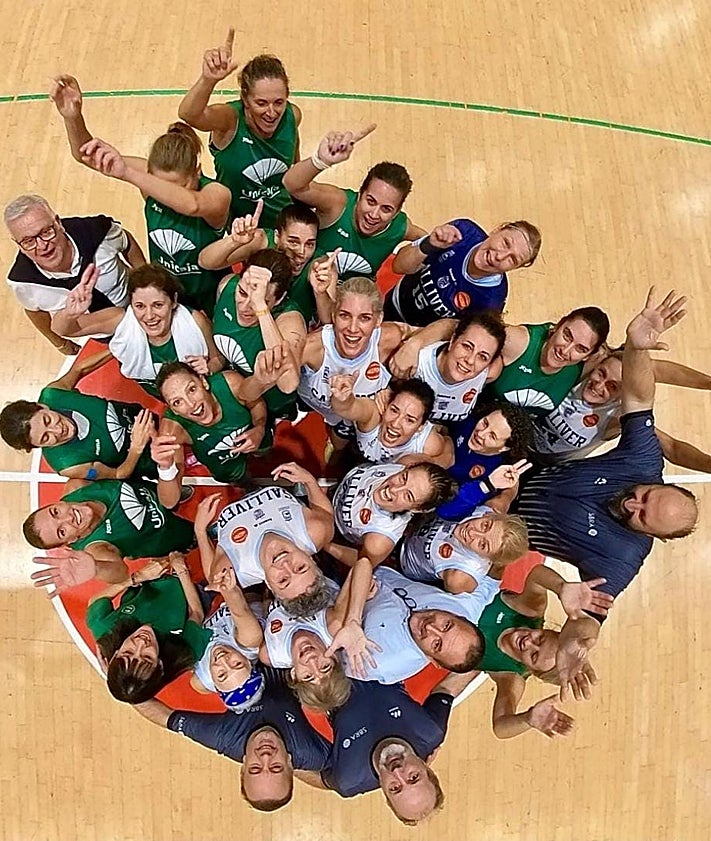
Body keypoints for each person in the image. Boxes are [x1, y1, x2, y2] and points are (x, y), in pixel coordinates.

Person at [512, 289, 698, 672]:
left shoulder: (624, 557)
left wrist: (574, 641)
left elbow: (591, 620)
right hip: (518, 469)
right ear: (657, 481)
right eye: (645, 497)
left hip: (506, 529)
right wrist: (637, 347)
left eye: (642, 517)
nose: (633, 504)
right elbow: (640, 391)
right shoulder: (642, 459)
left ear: (654, 537)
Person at [49, 75, 230, 316]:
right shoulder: (147, 180)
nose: (164, 194)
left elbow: (192, 205)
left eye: (178, 186)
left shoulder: (216, 194)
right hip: (164, 296)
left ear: (197, 171)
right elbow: (88, 155)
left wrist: (129, 174)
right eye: (158, 183)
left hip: (209, 299)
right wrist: (73, 118)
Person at [268, 563, 500, 693]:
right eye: (447, 625)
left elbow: (322, 663)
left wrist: (354, 614)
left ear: (434, 661)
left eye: (436, 644)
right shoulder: (466, 607)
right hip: (379, 563)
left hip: (330, 590)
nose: (432, 629)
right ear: (459, 616)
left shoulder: (378, 660)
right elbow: (492, 578)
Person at [133, 667, 330, 812]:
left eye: (255, 768)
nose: (265, 756)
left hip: (240, 655)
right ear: (290, 763)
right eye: (276, 767)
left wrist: (126, 691)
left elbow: (166, 718)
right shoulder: (311, 752)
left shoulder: (224, 737)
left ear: (243, 765)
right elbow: (336, 781)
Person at [301, 672, 478, 825]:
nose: (398, 772)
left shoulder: (349, 779)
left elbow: (323, 781)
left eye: (395, 788)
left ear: (385, 793)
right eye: (413, 777)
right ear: (427, 768)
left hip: (322, 670)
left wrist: (287, 764)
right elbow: (448, 689)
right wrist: (496, 657)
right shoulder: (430, 731)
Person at [297, 276, 447, 444]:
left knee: (340, 446)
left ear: (379, 320)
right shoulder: (313, 346)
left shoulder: (389, 338)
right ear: (333, 315)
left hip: (352, 414)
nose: (353, 329)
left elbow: (452, 327)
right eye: (345, 316)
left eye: (365, 318)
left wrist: (415, 344)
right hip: (307, 400)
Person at [178, 29, 302, 228]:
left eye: (279, 102)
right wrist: (208, 80)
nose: (271, 112)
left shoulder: (292, 115)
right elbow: (189, 114)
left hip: (283, 224)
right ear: (245, 99)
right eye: (261, 103)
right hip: (238, 228)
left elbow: (295, 164)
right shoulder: (229, 120)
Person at [474, 563, 612, 739]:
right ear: (547, 629)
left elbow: (501, 727)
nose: (529, 643)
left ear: (529, 669)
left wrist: (528, 719)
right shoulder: (531, 610)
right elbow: (537, 574)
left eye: (533, 655)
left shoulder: (511, 677)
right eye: (540, 638)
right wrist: (561, 587)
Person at [51, 263, 222, 398]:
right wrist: (69, 313)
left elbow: (219, 359)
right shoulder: (120, 319)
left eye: (158, 305)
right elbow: (62, 330)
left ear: (174, 301)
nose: (149, 316)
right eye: (140, 306)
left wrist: (210, 366)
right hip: (160, 393)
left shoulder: (197, 322)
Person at [3, 193, 144, 354]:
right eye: (28, 241)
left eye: (46, 232)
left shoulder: (98, 231)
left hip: (141, 305)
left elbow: (127, 241)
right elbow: (34, 311)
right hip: (104, 332)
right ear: (18, 245)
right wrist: (59, 343)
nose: (42, 246)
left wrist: (146, 278)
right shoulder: (22, 282)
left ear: (58, 223)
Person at [282, 124, 426, 280]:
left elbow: (426, 239)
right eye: (370, 201)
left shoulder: (400, 228)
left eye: (386, 209)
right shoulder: (337, 204)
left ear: (396, 213)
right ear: (359, 195)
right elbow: (292, 185)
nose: (374, 214)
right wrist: (320, 161)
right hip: (306, 286)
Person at [532, 349, 711, 472]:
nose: (599, 385)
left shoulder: (618, 417)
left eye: (612, 386)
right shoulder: (582, 370)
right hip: (514, 433)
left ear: (621, 395)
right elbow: (655, 369)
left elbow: (672, 448)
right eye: (601, 373)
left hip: (542, 465)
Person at [194, 463, 335, 617]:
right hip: (274, 476)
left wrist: (200, 531)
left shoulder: (238, 568)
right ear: (312, 560)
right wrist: (309, 481)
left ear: (269, 586)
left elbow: (212, 576)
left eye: (283, 579)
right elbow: (325, 513)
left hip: (224, 497)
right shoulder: (317, 531)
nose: (286, 564)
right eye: (300, 568)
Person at [0, 348, 157, 479]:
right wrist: (137, 447)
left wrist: (116, 349)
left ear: (42, 406)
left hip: (139, 415)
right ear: (37, 446)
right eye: (46, 438)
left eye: (48, 420)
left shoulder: (53, 394)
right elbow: (118, 474)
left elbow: (80, 369)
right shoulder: (68, 465)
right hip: (149, 458)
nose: (58, 430)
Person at [153, 350, 286, 496]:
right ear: (173, 410)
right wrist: (165, 468)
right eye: (177, 402)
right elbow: (170, 500)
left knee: (264, 449)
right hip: (222, 462)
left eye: (191, 389)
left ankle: (262, 454)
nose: (191, 404)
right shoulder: (171, 431)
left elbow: (255, 403)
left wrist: (259, 428)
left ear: (204, 382)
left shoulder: (230, 383)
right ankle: (248, 487)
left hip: (253, 433)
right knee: (239, 479)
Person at [25, 477, 195, 588]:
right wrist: (97, 567)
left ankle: (176, 496)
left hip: (159, 492)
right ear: (69, 541)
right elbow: (119, 573)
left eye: (55, 512)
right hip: (178, 533)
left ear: (56, 503)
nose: (68, 518)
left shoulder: (76, 486)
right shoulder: (96, 548)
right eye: (62, 531)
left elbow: (113, 473)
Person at [86, 552, 209, 703]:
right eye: (147, 656)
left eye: (128, 651)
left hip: (152, 574)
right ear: (160, 664)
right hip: (194, 584)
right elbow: (196, 612)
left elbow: (96, 601)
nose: (141, 643)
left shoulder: (106, 631)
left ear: (116, 653)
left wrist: (137, 577)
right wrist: (181, 571)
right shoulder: (184, 652)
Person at [384, 217, 541, 325]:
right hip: (393, 302)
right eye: (505, 243)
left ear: (514, 269)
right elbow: (399, 266)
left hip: (416, 340)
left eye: (512, 259)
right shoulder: (463, 232)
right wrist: (428, 244)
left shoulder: (492, 301)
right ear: (498, 230)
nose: (500, 256)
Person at [209, 253, 305, 419]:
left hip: (272, 405)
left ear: (278, 299)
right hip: (234, 393)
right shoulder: (226, 286)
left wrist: (261, 309)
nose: (246, 307)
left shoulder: (290, 321)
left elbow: (288, 384)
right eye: (243, 293)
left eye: (262, 300)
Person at [199, 200, 321, 325]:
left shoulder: (321, 265)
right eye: (293, 242)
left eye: (309, 244)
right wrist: (235, 241)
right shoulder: (260, 241)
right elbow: (205, 262)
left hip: (286, 324)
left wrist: (321, 292)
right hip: (248, 314)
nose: (301, 252)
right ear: (277, 236)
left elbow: (328, 320)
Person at [484, 305, 610, 415]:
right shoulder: (518, 341)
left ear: (588, 355)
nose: (565, 351)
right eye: (567, 336)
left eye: (580, 349)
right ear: (558, 325)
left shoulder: (587, 367)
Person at [330, 461, 458, 567]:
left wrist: (326, 544)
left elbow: (362, 565)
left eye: (407, 495)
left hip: (330, 519)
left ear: (418, 509)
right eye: (403, 478)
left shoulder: (380, 540)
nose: (394, 489)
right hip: (342, 473)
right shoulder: (409, 462)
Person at [329, 374, 454, 467]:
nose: (395, 424)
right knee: (338, 446)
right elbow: (349, 408)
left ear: (420, 427)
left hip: (379, 468)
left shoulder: (428, 445)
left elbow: (448, 455)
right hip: (357, 448)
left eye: (409, 420)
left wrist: (430, 463)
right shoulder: (374, 415)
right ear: (386, 405)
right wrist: (343, 399)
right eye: (394, 410)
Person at [399, 506, 529, 593]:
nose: (472, 532)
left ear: (487, 559)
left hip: (400, 558)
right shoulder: (488, 508)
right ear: (491, 515)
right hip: (413, 516)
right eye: (485, 525)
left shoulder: (461, 577)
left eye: (483, 544)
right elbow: (506, 495)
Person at [409, 310, 507, 424]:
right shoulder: (416, 363)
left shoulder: (489, 374)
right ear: (452, 341)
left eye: (482, 357)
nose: (470, 360)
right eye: (467, 346)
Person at [190, 565, 266, 712]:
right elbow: (233, 595)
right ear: (248, 661)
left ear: (215, 684)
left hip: (210, 606)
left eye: (221, 674)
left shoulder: (201, 681)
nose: (223, 660)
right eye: (237, 663)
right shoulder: (249, 639)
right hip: (249, 590)